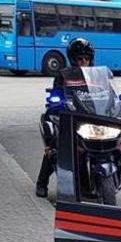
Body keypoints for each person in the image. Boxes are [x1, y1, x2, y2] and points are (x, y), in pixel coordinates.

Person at [35, 38, 95, 198]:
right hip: (69, 116)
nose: (84, 62)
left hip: (88, 117)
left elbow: (104, 93)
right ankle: (42, 183)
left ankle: (87, 186)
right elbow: (56, 96)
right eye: (80, 59)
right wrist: (58, 101)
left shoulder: (94, 76)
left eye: (86, 59)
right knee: (56, 146)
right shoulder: (63, 76)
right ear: (73, 59)